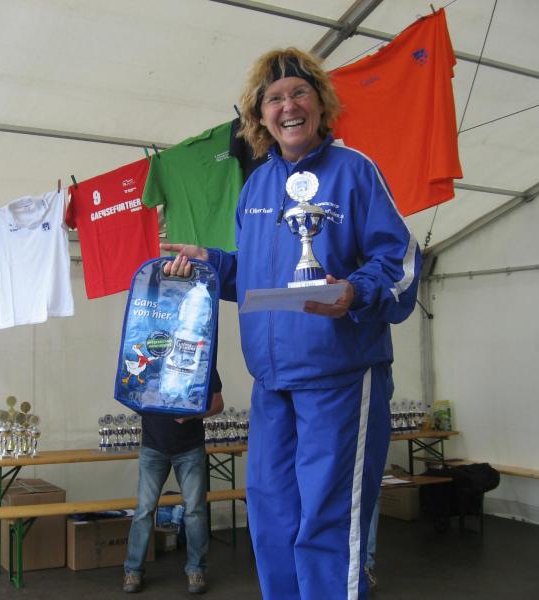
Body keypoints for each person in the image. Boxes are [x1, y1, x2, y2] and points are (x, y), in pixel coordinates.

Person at [162, 47, 421, 599]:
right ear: (259, 115)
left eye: (299, 92)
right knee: (272, 516)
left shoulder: (354, 170)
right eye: (274, 98)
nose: (288, 106)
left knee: (329, 519)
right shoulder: (257, 186)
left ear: (321, 102)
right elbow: (257, 278)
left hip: (341, 376)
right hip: (272, 383)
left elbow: (398, 264)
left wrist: (355, 292)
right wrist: (212, 264)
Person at [123, 371, 224, 595]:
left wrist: (193, 415)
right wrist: (147, 402)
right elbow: (131, 394)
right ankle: (133, 570)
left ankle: (196, 569)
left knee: (195, 511)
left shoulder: (202, 358)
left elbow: (218, 403)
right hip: (153, 448)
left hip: (190, 449)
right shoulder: (151, 360)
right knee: (144, 510)